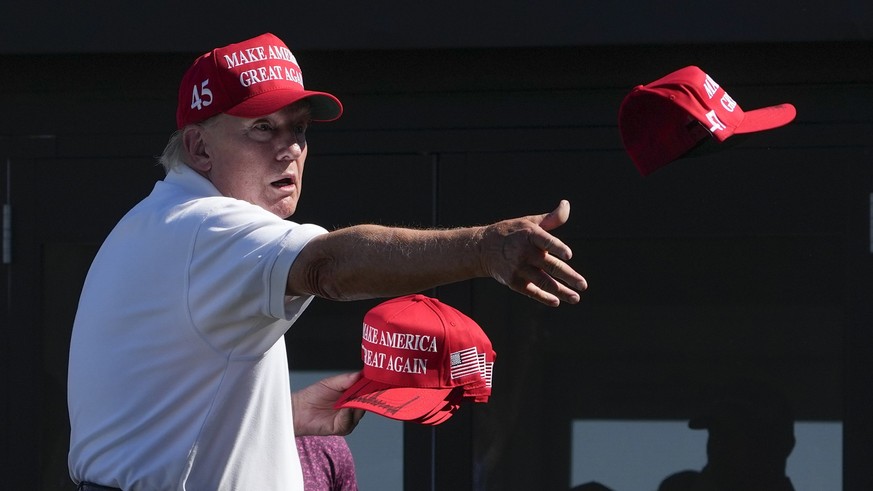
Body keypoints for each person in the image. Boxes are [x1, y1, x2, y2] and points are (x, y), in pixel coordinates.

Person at [66, 32, 587, 490]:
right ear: (199, 148)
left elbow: (151, 428)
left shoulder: (156, 223)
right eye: (262, 129)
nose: (289, 147)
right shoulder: (206, 226)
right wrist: (483, 247)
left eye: (299, 129)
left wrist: (274, 419)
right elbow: (327, 267)